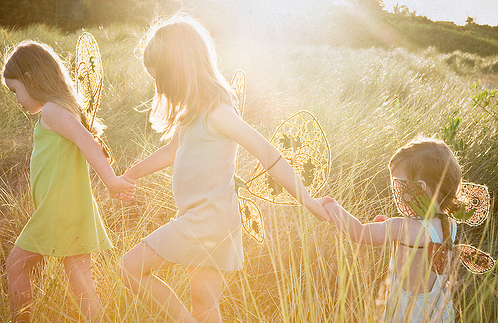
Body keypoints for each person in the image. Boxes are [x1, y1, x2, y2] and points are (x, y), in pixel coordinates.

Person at [117, 14, 330, 323]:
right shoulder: (193, 111)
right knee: (205, 305)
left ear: (180, 69)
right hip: (202, 218)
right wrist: (129, 175)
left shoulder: (217, 111)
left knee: (129, 267)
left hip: (208, 220)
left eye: (160, 80)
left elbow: (267, 153)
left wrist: (307, 199)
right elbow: (171, 151)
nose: (160, 90)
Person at [2, 40, 136, 322]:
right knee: (80, 280)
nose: (16, 100)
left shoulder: (52, 110)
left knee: (15, 266)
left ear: (31, 78)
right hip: (70, 209)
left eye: (15, 91)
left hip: (57, 210)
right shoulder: (60, 107)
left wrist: (111, 181)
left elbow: (86, 141)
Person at [317, 137, 461, 322]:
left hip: (407, 313)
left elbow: (359, 233)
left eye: (397, 185)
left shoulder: (401, 226)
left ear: (420, 188)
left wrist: (333, 208)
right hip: (439, 310)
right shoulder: (448, 224)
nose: (395, 192)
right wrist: (392, 230)